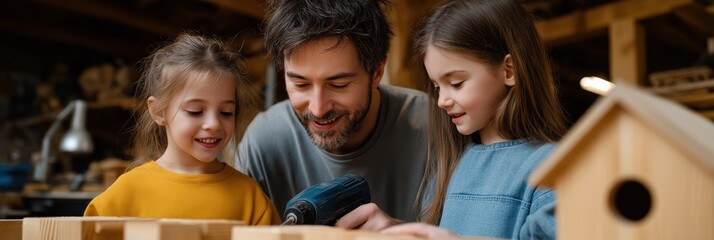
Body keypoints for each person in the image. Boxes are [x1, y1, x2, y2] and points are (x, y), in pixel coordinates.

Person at [336, 0, 567, 239]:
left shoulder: (555, 167)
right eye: (437, 87)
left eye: (456, 83)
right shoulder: (449, 165)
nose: (441, 101)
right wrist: (396, 230)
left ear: (509, 70)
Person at [237, 0, 428, 222]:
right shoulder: (264, 140)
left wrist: (398, 234)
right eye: (301, 84)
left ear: (377, 72)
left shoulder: (432, 128)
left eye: (339, 85)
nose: (318, 109)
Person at [84, 33, 280, 225]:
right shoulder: (124, 196)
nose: (213, 124)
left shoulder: (250, 199)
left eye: (226, 112)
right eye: (195, 111)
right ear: (159, 111)